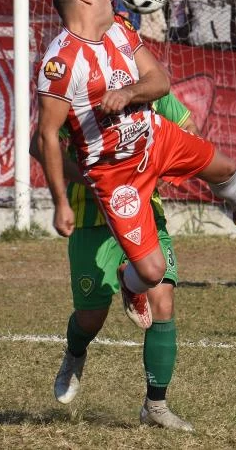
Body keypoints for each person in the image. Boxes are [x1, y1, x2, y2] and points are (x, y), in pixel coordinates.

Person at [36, 0, 236, 332]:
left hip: (156, 137)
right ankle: (131, 285)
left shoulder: (121, 31)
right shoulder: (61, 62)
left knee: (224, 168)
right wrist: (61, 202)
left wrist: (128, 93)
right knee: (151, 271)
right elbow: (46, 136)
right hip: (114, 173)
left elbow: (160, 81)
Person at [31, 92, 198, 431]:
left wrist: (160, 163)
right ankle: (75, 352)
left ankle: (156, 406)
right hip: (92, 218)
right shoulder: (77, 88)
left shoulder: (148, 89)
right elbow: (41, 145)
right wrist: (93, 179)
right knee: (92, 316)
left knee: (162, 300)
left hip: (144, 211)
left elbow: (188, 130)